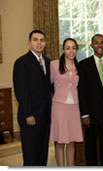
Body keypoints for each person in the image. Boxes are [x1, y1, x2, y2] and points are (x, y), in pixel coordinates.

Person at [13, 30, 51, 166]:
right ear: (29, 43)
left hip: (45, 115)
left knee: (42, 152)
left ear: (45, 43)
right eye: (35, 40)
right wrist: (28, 114)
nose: (39, 43)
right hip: (30, 116)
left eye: (41, 40)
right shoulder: (21, 62)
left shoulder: (47, 62)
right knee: (31, 154)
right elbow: (21, 91)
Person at [78, 34, 103, 166]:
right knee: (90, 146)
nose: (99, 45)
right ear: (92, 45)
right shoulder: (83, 65)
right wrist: (84, 114)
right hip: (90, 114)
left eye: (102, 42)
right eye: (96, 43)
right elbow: (82, 91)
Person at [50, 38, 83, 166]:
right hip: (59, 107)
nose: (71, 51)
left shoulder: (79, 67)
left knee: (71, 141)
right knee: (60, 141)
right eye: (68, 48)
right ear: (63, 49)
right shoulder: (54, 65)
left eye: (74, 48)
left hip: (74, 107)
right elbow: (48, 85)